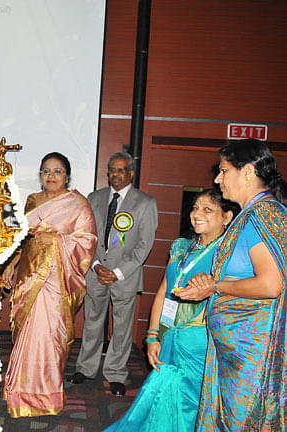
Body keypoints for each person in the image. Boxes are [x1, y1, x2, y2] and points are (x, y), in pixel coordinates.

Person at [174, 139, 287, 431]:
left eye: (224, 171)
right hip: (238, 352)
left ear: (247, 172)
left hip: (252, 355)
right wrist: (210, 284)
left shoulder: (262, 215)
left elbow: (271, 284)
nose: (217, 179)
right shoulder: (253, 215)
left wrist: (216, 287)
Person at [104, 189, 237, 431]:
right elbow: (164, 291)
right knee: (159, 400)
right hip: (169, 334)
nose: (197, 214)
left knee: (187, 405)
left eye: (208, 209)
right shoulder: (181, 247)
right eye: (195, 208)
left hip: (198, 342)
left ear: (227, 217)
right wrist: (152, 335)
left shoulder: (229, 255)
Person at [3, 152, 97, 417]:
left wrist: (56, 240)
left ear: (67, 176)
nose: (51, 176)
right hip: (28, 275)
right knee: (26, 335)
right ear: (40, 175)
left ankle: (45, 395)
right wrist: (12, 263)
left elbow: (87, 241)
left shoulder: (78, 204)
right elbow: (21, 237)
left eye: (57, 171)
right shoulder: (33, 200)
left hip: (57, 282)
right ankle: (19, 391)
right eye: (46, 171)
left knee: (49, 336)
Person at [70, 151, 158, 396]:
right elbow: (86, 235)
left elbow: (144, 245)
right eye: (112, 170)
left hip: (125, 276)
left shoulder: (146, 203)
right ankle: (85, 368)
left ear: (131, 173)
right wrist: (96, 265)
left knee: (122, 328)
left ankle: (116, 373)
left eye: (121, 170)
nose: (116, 174)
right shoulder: (94, 198)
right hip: (96, 271)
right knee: (92, 322)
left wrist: (117, 272)